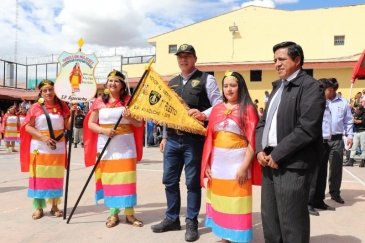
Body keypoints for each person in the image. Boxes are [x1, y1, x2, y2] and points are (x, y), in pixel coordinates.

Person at [151, 44, 222, 242]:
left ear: (195, 58)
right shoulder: (171, 82)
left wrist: (203, 114)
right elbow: (167, 112)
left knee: (192, 183)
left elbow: (218, 106)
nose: (183, 60)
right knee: (169, 180)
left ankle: (191, 221)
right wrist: (164, 136)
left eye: (187, 56)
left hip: (194, 140)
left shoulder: (207, 79)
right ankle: (172, 218)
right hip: (173, 139)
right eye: (180, 57)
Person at [255, 41, 325, 243]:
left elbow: (307, 128)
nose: (276, 64)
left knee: (292, 222)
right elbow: (262, 124)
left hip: (292, 164)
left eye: (282, 59)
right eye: (275, 60)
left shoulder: (311, 87)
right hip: (268, 161)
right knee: (270, 219)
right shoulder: (277, 88)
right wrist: (260, 150)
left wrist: (278, 154)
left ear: (297, 60)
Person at [200, 71, 261, 243]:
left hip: (238, 164)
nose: (229, 89)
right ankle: (225, 237)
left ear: (240, 87)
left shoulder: (248, 109)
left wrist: (243, 168)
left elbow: (253, 142)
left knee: (237, 203)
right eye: (225, 86)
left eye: (233, 85)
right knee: (221, 201)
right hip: (218, 165)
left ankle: (239, 238)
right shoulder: (217, 109)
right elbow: (210, 139)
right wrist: (207, 164)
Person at [83, 70, 144, 228]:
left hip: (126, 146)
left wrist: (129, 117)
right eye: (110, 81)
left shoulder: (129, 101)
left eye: (116, 81)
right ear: (106, 84)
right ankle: (113, 214)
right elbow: (91, 123)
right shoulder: (99, 102)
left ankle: (129, 214)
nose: (113, 84)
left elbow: (138, 124)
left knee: (126, 179)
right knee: (110, 179)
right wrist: (103, 131)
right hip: (106, 145)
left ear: (122, 85)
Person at [19, 80, 76, 219]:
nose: (48, 93)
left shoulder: (62, 107)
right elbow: (28, 126)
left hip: (58, 148)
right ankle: (39, 207)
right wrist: (42, 137)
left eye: (50, 89)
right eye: (45, 90)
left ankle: (54, 206)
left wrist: (73, 113)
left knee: (55, 177)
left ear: (54, 91)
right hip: (40, 147)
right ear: (41, 93)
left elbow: (68, 126)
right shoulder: (35, 107)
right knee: (39, 177)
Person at [320, 78, 353, 204]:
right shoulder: (321, 102)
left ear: (334, 90)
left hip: (336, 139)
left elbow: (348, 121)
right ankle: (319, 195)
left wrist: (350, 136)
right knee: (320, 168)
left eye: (331, 89)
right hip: (322, 140)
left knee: (336, 168)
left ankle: (335, 193)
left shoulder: (343, 103)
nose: (329, 91)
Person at [308, 79, 335, 216]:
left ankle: (319, 200)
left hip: (325, 142)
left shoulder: (327, 103)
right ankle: (309, 202)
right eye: (329, 89)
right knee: (313, 174)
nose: (332, 92)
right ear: (322, 90)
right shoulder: (313, 103)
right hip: (315, 142)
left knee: (322, 173)